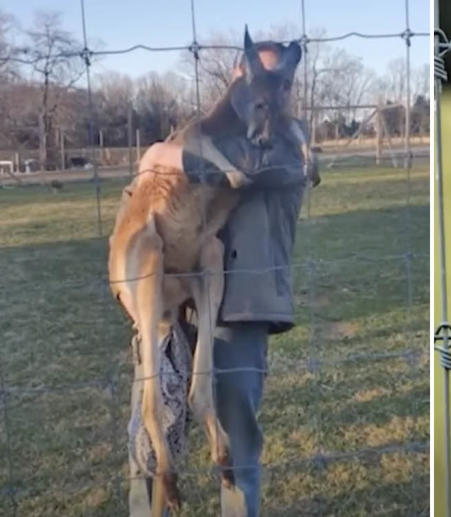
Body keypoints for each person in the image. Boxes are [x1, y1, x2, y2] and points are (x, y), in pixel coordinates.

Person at [125, 40, 318, 517]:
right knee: (152, 438)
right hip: (173, 300)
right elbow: (142, 194)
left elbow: (252, 166)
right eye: (251, 79)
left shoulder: (294, 144)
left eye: (279, 82)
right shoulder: (200, 131)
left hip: (241, 306)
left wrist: (161, 155)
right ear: (234, 78)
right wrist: (159, 160)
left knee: (234, 445)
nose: (266, 90)